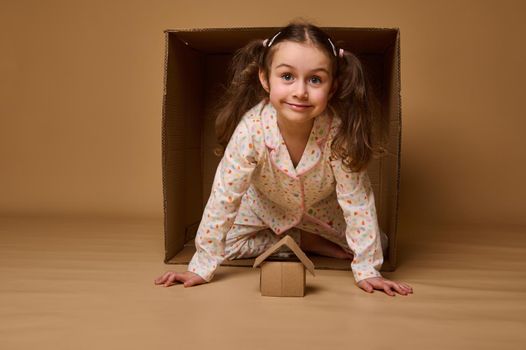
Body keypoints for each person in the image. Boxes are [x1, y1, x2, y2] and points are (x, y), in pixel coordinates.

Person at [155, 21, 413, 296]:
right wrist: (200, 266)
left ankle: (309, 235)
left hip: (320, 211)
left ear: (333, 87)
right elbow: (224, 197)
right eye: (287, 76)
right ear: (265, 79)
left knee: (379, 245)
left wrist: (368, 271)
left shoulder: (339, 133)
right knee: (219, 244)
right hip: (261, 208)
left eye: (315, 80)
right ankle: (302, 240)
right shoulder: (251, 129)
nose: (300, 91)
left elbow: (357, 201)